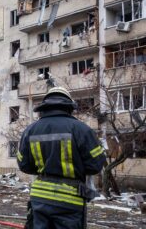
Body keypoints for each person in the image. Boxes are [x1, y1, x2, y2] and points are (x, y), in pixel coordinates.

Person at [17, 87, 106, 229]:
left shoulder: (30, 130)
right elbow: (95, 165)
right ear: (69, 108)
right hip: (70, 202)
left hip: (39, 199)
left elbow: (24, 165)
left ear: (44, 108)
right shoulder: (81, 129)